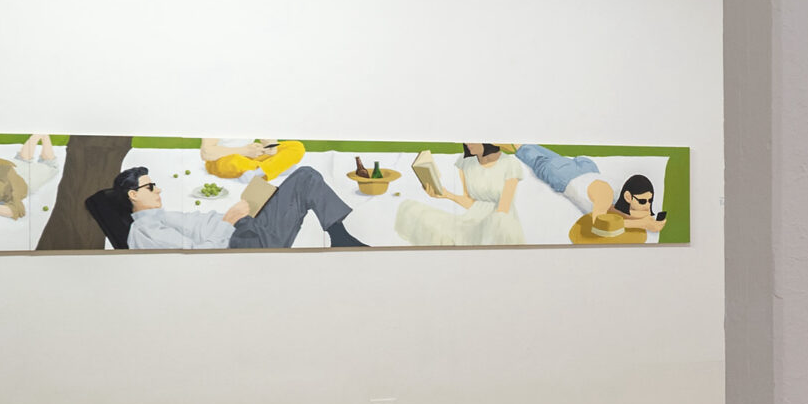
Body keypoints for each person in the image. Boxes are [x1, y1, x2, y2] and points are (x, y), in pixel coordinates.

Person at [114, 165, 370, 249]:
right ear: (133, 195)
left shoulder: (158, 216)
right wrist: (229, 222)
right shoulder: (146, 232)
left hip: (243, 225)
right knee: (305, 177)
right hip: (244, 241)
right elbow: (195, 256)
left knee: (278, 183)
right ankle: (340, 237)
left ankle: (340, 236)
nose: (158, 189)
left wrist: (240, 210)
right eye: (150, 187)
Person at [514, 143, 667, 237]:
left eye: (649, 200)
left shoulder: (623, 192)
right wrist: (642, 224)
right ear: (628, 196)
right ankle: (512, 144)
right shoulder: (604, 193)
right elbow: (600, 223)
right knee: (529, 154)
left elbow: (616, 212)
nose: (647, 205)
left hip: (588, 168)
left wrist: (643, 218)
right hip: (565, 175)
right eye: (642, 201)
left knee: (547, 154)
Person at [396, 143, 525, 247]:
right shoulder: (465, 163)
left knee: (498, 223)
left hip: (501, 223)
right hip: (472, 220)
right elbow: (470, 202)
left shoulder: (510, 163)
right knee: (411, 209)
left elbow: (503, 208)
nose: (467, 144)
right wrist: (446, 195)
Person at [201, 138, 308, 182]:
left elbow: (267, 138)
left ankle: (260, 171)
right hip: (222, 159)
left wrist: (271, 146)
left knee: (296, 146)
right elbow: (206, 152)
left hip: (251, 156)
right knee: (235, 160)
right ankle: (276, 167)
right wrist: (244, 151)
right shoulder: (216, 117)